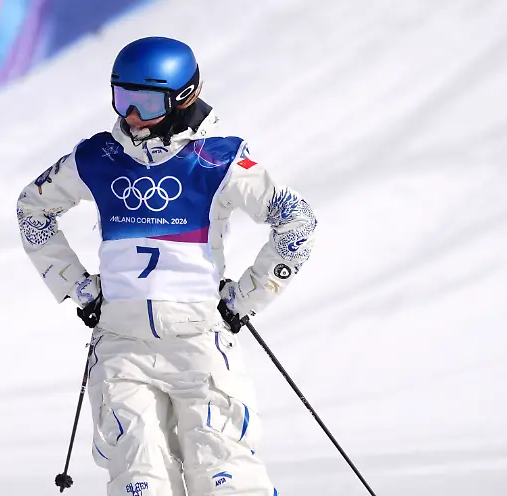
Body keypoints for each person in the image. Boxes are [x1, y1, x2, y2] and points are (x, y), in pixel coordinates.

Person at [17, 36, 316, 496]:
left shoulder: (218, 161)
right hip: (121, 346)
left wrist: (245, 300)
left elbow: (297, 221)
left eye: (148, 102)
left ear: (184, 97)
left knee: (226, 478)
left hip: (199, 341)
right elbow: (32, 208)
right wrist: (78, 289)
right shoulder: (97, 158)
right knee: (140, 481)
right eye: (123, 98)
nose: (133, 116)